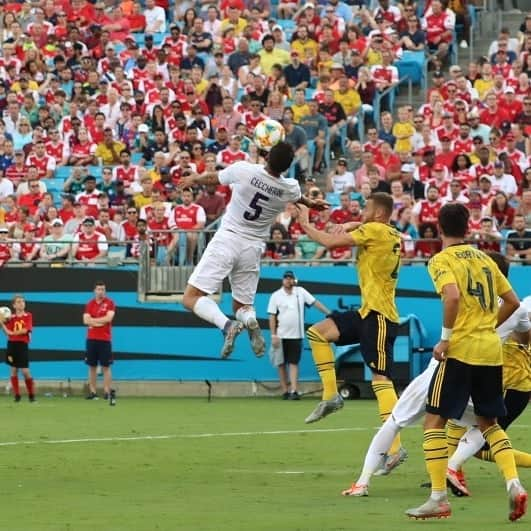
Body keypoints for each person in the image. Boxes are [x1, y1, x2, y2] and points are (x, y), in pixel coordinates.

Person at [342, 251, 531, 497]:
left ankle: (365, 482)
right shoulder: (515, 309)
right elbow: (525, 334)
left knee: (400, 422)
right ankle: (474, 473)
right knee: (486, 426)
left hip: (445, 369)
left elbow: (451, 302)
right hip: (479, 372)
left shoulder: (468, 297)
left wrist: (444, 341)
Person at [405, 203, 527, 521]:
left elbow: (452, 296)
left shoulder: (441, 259)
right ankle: (514, 484)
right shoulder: (486, 258)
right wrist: (488, 327)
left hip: (461, 350)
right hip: (490, 350)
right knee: (489, 423)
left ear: (439, 227)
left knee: (434, 421)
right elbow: (512, 301)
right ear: (468, 226)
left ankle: (438, 499)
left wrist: (445, 337)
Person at [179, 142, 327, 359]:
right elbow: (298, 199)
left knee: (190, 298)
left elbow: (213, 178)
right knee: (243, 304)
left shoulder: (244, 170)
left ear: (266, 157)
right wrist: (312, 203)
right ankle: (249, 320)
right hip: (253, 247)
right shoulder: (291, 187)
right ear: (286, 167)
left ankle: (227, 325)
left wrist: (193, 178)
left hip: (228, 239)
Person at [295, 193, 406, 465]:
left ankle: (396, 449)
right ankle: (331, 396)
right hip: (368, 312)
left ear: (378, 213)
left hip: (379, 316)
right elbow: (365, 226)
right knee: (318, 333)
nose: (362, 211)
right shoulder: (390, 232)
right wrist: (352, 223)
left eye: (366, 208)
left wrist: (306, 224)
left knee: (381, 380)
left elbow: (330, 242)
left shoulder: (375, 230)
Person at [267, 271, 331, 400]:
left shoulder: (300, 292)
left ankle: (294, 390)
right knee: (281, 363)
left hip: (296, 335)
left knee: (294, 362)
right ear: (282, 280)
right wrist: (273, 335)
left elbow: (315, 302)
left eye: (290, 278)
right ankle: (285, 390)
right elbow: (272, 316)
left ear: (294, 280)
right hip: (280, 335)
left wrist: (328, 312)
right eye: (286, 278)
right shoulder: (276, 295)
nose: (288, 280)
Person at [83, 281, 117, 405]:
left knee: (106, 367)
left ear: (105, 291)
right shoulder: (89, 304)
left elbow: (109, 318)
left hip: (105, 339)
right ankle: (93, 392)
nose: (101, 291)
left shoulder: (110, 303)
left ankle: (107, 392)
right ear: (94, 290)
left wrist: (94, 321)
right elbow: (85, 320)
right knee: (91, 366)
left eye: (103, 289)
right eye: (98, 289)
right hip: (91, 339)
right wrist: (98, 322)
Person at [1, 295, 35, 402]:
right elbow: (7, 334)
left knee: (25, 371)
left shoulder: (28, 315)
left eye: (23, 301)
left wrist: (12, 333)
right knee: (13, 370)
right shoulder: (10, 318)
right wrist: (2, 324)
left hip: (22, 345)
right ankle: (17, 395)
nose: (21, 303)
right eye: (19, 302)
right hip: (12, 345)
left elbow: (25, 330)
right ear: (14, 305)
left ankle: (31, 395)